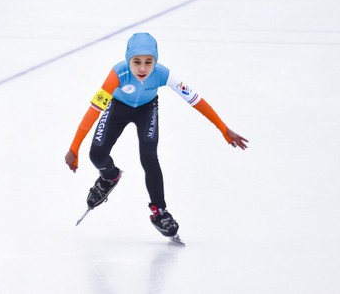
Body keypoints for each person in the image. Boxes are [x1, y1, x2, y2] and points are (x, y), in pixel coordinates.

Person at [64, 33, 249, 239]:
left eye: (148, 62)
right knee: (96, 155)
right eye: (136, 62)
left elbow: (195, 100)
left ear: (156, 61)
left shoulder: (163, 74)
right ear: (128, 61)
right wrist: (74, 148)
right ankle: (110, 177)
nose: (142, 68)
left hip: (146, 110)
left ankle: (159, 211)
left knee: (149, 157)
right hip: (117, 108)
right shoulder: (117, 75)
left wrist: (223, 128)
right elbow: (93, 111)